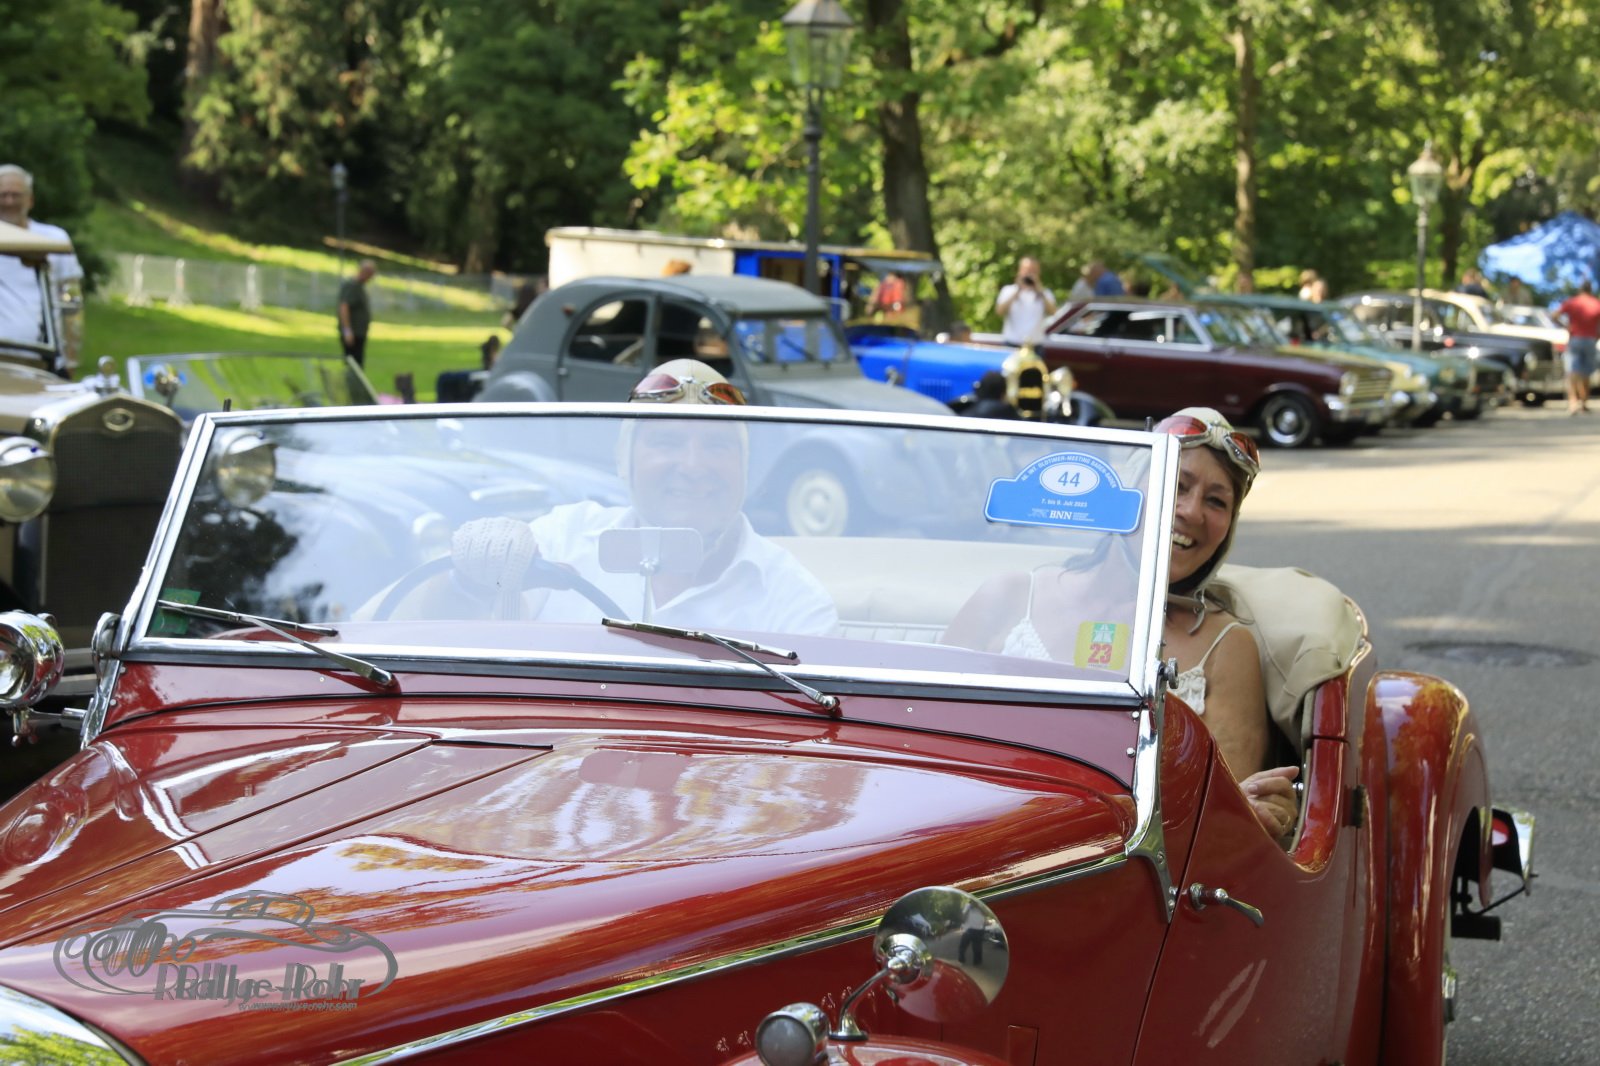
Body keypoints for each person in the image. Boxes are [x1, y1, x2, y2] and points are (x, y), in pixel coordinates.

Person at [942, 406, 1298, 838]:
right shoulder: (1010, 596)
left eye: (1217, 501)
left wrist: (1253, 808)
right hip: (969, 833)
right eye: (1177, 484)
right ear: (1130, 487)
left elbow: (1225, 816)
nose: (1191, 511)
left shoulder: (1225, 645)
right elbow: (917, 734)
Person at [444, 359, 838, 634]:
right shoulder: (564, 538)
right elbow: (442, 641)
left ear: (744, 466)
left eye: (717, 445)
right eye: (667, 441)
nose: (693, 465)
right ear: (626, 460)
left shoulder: (792, 599)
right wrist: (467, 583)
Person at [0, 164, 84, 376]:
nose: (9, 201)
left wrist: (72, 358)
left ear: (30, 200)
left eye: (16, 195)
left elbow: (72, 304)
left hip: (41, 359)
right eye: (3, 195)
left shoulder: (54, 239)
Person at [1554, 280, 1599, 415]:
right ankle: (1584, 402)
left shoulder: (1573, 302)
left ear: (1580, 290)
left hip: (1575, 339)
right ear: (1590, 290)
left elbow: (1554, 315)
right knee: (1586, 372)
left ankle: (1573, 402)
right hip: (1591, 340)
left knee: (1573, 371)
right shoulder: (1596, 303)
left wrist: (1566, 327)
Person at [994, 257, 1058, 345]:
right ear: (1019, 271)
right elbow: (999, 312)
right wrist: (1017, 290)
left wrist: (1039, 291)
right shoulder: (1008, 290)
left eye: (1033, 271)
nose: (1029, 274)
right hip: (1012, 343)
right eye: (1027, 270)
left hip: (1035, 345)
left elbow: (1053, 312)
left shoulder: (1045, 293)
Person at [337, 259, 377, 368]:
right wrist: (347, 331)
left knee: (358, 364)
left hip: (359, 333)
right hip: (353, 333)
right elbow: (344, 307)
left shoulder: (360, 286)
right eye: (371, 274)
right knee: (353, 365)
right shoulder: (352, 285)